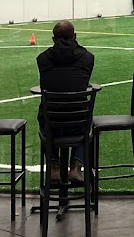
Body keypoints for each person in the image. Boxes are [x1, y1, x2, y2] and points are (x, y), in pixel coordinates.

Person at [37, 20, 95, 183]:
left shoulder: (42, 59)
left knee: (44, 118)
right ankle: (76, 165)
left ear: (53, 39)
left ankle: (53, 164)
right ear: (74, 36)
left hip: (51, 125)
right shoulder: (88, 58)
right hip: (78, 124)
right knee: (88, 120)